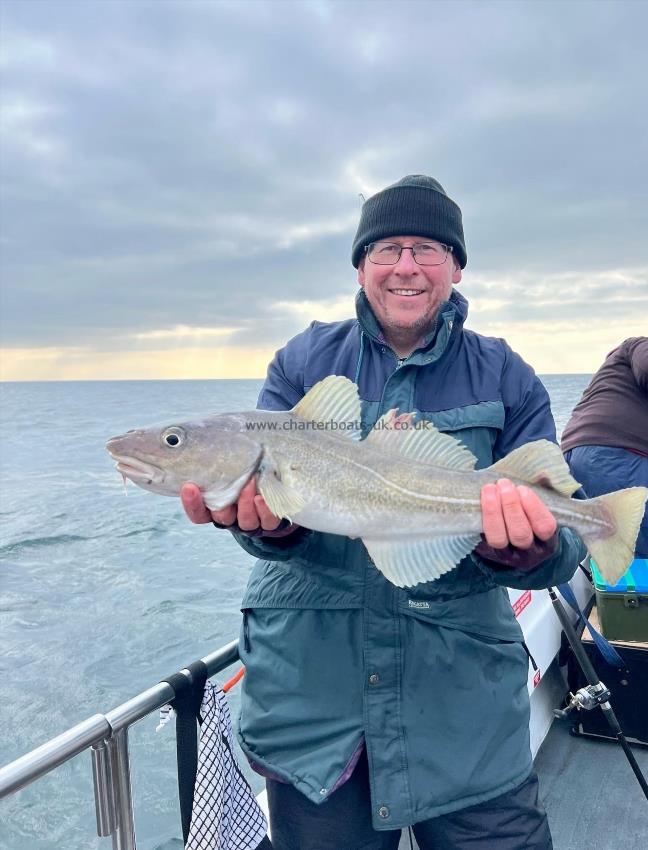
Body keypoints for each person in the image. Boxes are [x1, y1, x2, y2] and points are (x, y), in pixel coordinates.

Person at [181, 175, 585, 850]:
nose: (405, 266)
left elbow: (562, 550)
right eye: (386, 249)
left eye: (426, 249)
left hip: (463, 713)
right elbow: (274, 529)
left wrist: (524, 549)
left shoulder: (504, 374)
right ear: (361, 265)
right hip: (316, 714)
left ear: (455, 266)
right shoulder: (302, 362)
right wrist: (273, 531)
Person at [561, 337, 648, 614]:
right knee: (643, 573)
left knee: (616, 559)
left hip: (578, 460)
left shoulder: (613, 386)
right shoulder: (643, 344)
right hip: (627, 460)